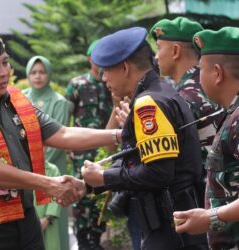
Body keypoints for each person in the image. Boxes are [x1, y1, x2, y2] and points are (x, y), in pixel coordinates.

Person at [0, 26, 122, 250]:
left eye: (5, 62)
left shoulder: (15, 102)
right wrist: (47, 184)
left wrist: (119, 134)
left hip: (25, 220)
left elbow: (62, 133)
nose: (4, 72)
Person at [80, 27, 209, 250]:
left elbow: (158, 172)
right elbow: (140, 158)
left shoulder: (148, 103)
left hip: (169, 228)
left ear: (124, 67)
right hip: (176, 222)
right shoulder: (162, 91)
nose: (104, 79)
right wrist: (92, 181)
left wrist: (104, 178)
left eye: (106, 71)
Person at [174, 26, 239, 249]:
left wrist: (212, 217)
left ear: (217, 73)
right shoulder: (230, 113)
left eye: (200, 69)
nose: (197, 76)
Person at [150, 17, 223, 174]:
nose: (156, 56)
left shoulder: (182, 98)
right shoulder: (216, 83)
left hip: (204, 190)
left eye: (159, 48)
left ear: (176, 51)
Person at [65, 40, 112, 250]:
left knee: (101, 193)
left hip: (104, 151)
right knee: (80, 194)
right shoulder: (77, 84)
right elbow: (66, 116)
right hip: (80, 150)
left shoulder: (111, 82)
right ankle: (83, 239)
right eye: (96, 56)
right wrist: (66, 145)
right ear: (89, 58)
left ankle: (97, 237)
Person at [23, 55, 71, 250]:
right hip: (25, 170)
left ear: (49, 74)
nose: (38, 76)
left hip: (52, 169)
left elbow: (57, 138)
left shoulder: (59, 102)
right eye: (33, 72)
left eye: (42, 72)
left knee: (52, 220)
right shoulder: (20, 98)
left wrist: (34, 163)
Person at [35, 160, 62, 250]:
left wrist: (47, 218)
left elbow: (58, 195)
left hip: (48, 222)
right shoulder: (23, 169)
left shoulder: (53, 170)